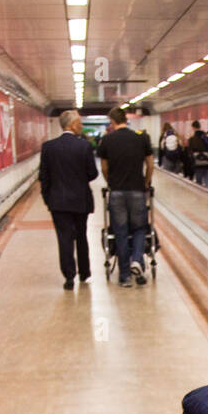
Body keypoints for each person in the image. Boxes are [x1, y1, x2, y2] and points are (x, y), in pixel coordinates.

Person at [38, 109, 98, 289]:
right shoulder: (84, 146)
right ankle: (84, 273)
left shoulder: (49, 147)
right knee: (81, 236)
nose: (81, 126)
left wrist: (48, 199)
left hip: (58, 202)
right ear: (72, 125)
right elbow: (92, 174)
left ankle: (69, 277)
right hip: (80, 200)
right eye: (79, 123)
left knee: (64, 239)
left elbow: (44, 177)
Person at [97, 106, 154, 287]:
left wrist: (111, 183)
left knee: (120, 231)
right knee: (139, 228)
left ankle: (124, 277)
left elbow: (104, 168)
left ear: (112, 121)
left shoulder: (107, 140)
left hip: (117, 192)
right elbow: (150, 163)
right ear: (126, 119)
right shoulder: (141, 138)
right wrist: (146, 182)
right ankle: (137, 259)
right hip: (137, 190)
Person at [186, 119, 208, 188]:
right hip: (207, 161)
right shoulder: (207, 137)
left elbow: (190, 153)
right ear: (200, 126)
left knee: (199, 182)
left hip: (198, 162)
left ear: (193, 128)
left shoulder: (191, 139)